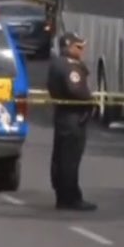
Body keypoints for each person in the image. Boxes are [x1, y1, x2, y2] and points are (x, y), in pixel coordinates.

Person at [46, 32, 97, 211]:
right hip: (73, 118)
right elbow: (75, 89)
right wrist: (90, 100)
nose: (82, 51)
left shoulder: (57, 63)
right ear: (68, 46)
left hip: (64, 116)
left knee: (61, 157)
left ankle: (63, 195)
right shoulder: (69, 66)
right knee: (69, 159)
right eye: (79, 47)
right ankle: (70, 197)